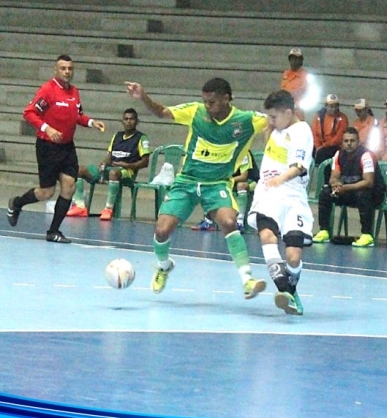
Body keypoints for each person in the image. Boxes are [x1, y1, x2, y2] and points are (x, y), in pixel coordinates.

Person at [124, 78, 267, 298]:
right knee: (162, 230)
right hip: (187, 181)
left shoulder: (246, 120)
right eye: (205, 101)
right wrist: (143, 96)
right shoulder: (195, 112)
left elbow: (277, 121)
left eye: (212, 102)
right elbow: (162, 112)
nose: (207, 106)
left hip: (217, 183)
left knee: (229, 222)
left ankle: (247, 280)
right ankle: (163, 266)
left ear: (226, 98)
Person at [7, 55, 106, 243]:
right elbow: (29, 113)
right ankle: (17, 203)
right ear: (56, 70)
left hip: (67, 147)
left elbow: (78, 116)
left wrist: (92, 122)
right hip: (48, 147)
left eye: (70, 68)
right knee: (47, 192)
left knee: (69, 186)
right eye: (63, 68)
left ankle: (53, 231)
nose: (67, 72)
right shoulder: (48, 90)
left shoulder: (74, 92)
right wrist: (47, 128)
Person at [247, 90, 314, 316]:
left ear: (288, 112)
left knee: (293, 256)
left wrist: (280, 178)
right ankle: (283, 290)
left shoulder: (301, 131)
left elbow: (299, 167)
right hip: (268, 194)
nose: (270, 121)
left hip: (293, 195)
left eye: (274, 117)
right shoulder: (276, 127)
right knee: (267, 236)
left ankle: (291, 291)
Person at [66, 108, 151, 221]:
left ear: (137, 121)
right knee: (79, 169)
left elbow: (145, 162)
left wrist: (127, 165)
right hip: (111, 169)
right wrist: (103, 164)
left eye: (132, 119)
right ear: (122, 122)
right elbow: (110, 156)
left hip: (127, 172)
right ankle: (80, 206)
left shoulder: (141, 138)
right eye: (126, 119)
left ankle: (108, 209)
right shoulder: (117, 136)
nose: (129, 121)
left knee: (113, 172)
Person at [312, 127, 387, 248]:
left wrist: (345, 188)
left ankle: (367, 235)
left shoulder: (366, 155)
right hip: (350, 191)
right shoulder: (338, 154)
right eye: (346, 141)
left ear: (358, 142)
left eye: (352, 141)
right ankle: (324, 231)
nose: (349, 144)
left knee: (363, 194)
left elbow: (368, 182)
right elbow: (333, 177)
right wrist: (335, 185)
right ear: (342, 142)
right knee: (325, 192)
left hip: (373, 194)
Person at [191, 150, 259, 231]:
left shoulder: (243, 152)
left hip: (251, 181)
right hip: (231, 181)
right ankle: (208, 221)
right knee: (214, 185)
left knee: (241, 186)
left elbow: (243, 176)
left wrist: (226, 180)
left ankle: (239, 223)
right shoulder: (224, 151)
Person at [310, 93, 349, 166]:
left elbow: (339, 136)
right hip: (320, 146)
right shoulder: (318, 117)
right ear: (326, 106)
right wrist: (318, 146)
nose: (334, 109)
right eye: (331, 106)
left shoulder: (343, 118)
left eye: (336, 106)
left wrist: (323, 146)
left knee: (322, 153)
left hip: (334, 147)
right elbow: (314, 133)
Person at [280, 48, 309, 120]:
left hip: (297, 111)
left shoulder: (304, 75)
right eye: (292, 59)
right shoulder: (285, 73)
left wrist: (288, 95)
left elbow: (302, 91)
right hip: (285, 109)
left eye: (296, 59)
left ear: (301, 61)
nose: (294, 61)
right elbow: (282, 89)